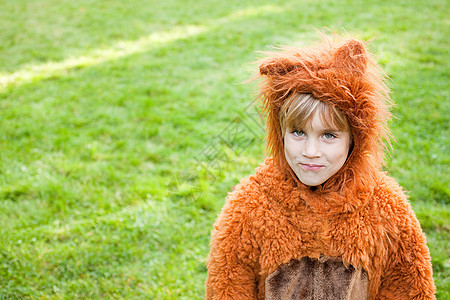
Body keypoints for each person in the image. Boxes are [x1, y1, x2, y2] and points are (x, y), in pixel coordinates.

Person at [205, 35, 436, 299]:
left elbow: (410, 290)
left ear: (355, 139)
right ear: (280, 132)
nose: (310, 152)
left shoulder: (387, 209)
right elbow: (226, 290)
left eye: (329, 135)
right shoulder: (248, 207)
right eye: (298, 132)